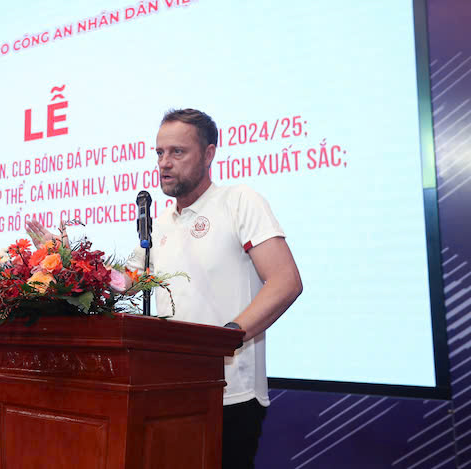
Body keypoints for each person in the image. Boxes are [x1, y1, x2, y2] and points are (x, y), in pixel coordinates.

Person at [26, 108, 302, 469]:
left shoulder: (238, 201)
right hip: (173, 394)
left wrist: (226, 337)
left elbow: (285, 281)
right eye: (159, 153)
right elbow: (124, 282)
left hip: (230, 396)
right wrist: (64, 258)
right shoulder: (159, 225)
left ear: (208, 154)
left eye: (177, 152)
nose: (165, 163)